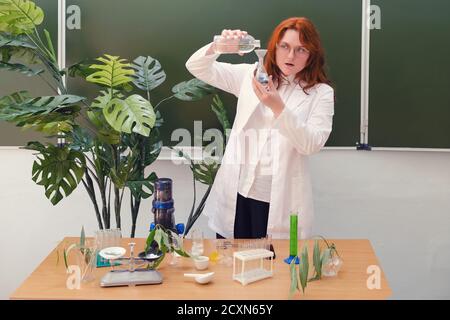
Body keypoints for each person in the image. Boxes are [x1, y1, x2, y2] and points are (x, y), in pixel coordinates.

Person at [185, 17, 334, 240]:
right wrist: (219, 47)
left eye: (300, 49)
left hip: (276, 201)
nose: (290, 56)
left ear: (312, 54)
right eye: (284, 46)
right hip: (237, 195)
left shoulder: (321, 93)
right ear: (274, 47)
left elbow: (311, 144)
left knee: (273, 268)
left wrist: (278, 107)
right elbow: (196, 66)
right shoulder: (250, 75)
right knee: (230, 266)